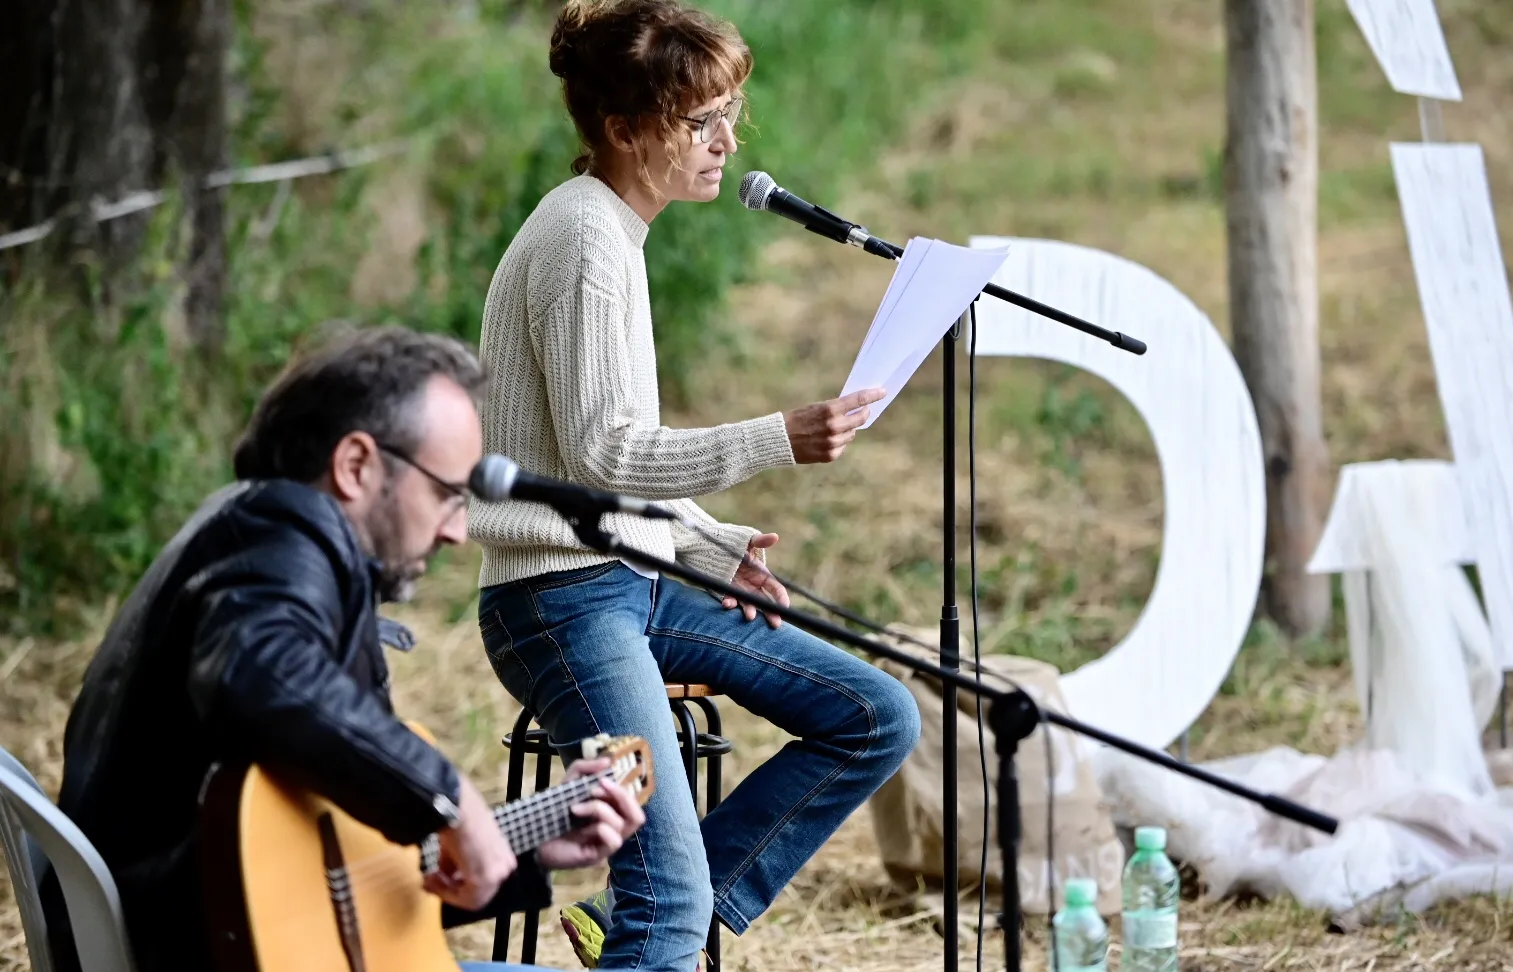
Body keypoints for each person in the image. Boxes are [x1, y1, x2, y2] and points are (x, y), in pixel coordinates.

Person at [470, 2, 922, 970]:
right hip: (556, 598)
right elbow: (604, 458)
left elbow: (593, 459)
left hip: (623, 580)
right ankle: (663, 918)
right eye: (699, 120)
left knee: (876, 715)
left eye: (731, 113)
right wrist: (776, 437)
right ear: (627, 130)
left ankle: (654, 916)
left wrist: (713, 547)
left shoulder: (611, 232)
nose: (726, 141)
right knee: (669, 910)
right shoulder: (588, 244)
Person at [42, 326, 644, 972]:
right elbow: (258, 672)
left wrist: (524, 844)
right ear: (356, 465)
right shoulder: (278, 538)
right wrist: (448, 799)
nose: (460, 531)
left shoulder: (257, 543)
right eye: (447, 494)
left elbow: (321, 891)